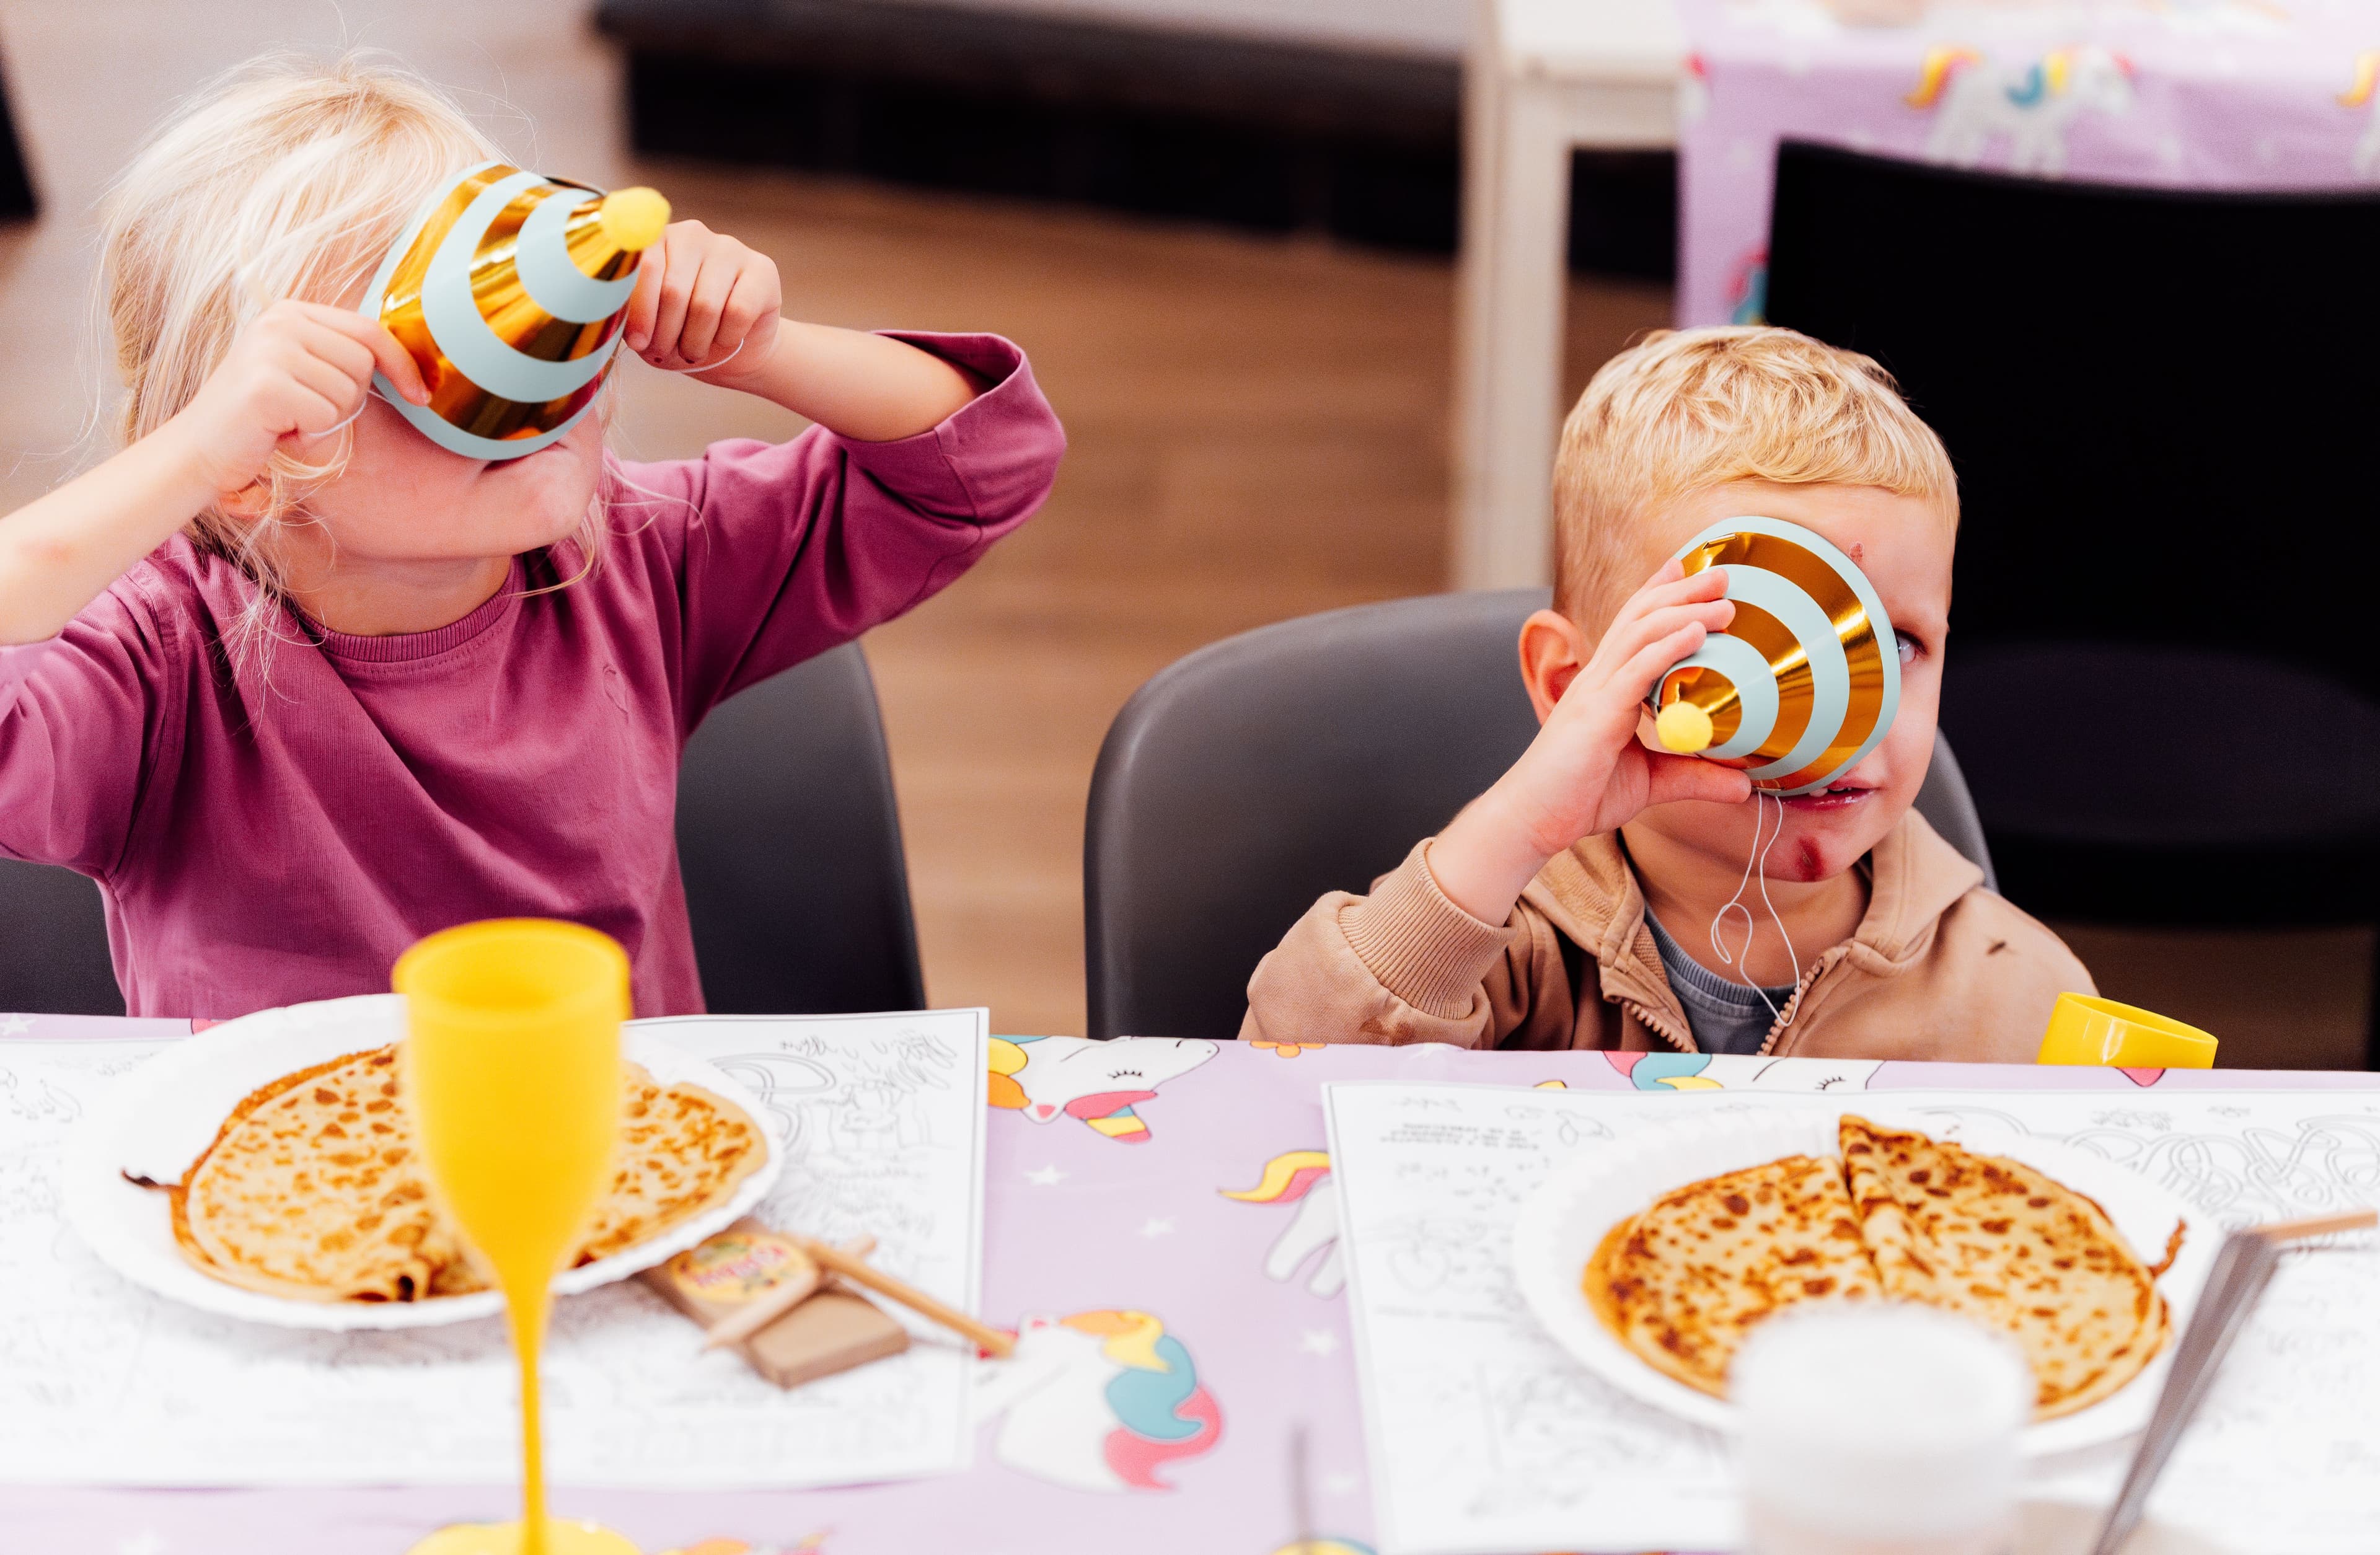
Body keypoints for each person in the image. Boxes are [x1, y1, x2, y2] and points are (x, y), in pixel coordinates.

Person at [0, 56, 1064, 1018]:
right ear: (259, 455)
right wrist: (190, 460)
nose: (530, 389)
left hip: (612, 1179)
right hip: (284, 1203)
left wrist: (759, 349)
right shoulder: (161, 667)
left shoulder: (644, 557)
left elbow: (985, 464)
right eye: (437, 362)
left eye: (535, 319)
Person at [1243, 327, 2089, 1061]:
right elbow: (1282, 1069)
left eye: (1895, 644)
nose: (1842, 714)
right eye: (1753, 646)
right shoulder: (1508, 946)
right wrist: (1521, 825)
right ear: (1572, 685)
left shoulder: (2017, 993)